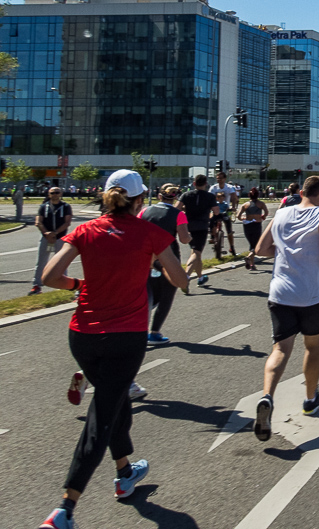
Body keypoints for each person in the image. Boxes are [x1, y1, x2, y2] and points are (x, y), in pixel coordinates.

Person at [38, 170, 188, 529]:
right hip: (126, 337)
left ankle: (125, 473)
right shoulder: (150, 233)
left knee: (116, 401)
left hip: (83, 335)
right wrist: (180, 268)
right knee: (101, 418)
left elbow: (49, 278)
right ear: (140, 201)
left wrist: (79, 283)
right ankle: (65, 508)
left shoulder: (85, 231)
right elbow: (179, 280)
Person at [252, 176, 319, 442]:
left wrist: (285, 253)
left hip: (280, 292)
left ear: (301, 192)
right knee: (312, 346)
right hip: (312, 294)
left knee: (280, 348)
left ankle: (267, 396)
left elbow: (261, 249)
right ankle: (310, 398)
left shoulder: (281, 213)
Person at [140, 184, 192, 344]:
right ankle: (154, 332)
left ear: (159, 196)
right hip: (168, 258)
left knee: (148, 295)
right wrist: (190, 236)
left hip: (147, 258)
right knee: (167, 296)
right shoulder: (178, 214)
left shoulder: (145, 211)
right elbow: (183, 239)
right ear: (175, 197)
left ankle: (137, 329)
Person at [177, 174, 221, 286]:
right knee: (197, 252)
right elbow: (216, 211)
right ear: (206, 184)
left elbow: (176, 208)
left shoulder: (186, 195)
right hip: (201, 226)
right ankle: (185, 277)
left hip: (188, 225)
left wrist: (185, 209)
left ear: (194, 184)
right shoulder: (210, 196)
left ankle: (200, 277)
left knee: (195, 252)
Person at [30, 186, 73, 295]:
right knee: (41, 261)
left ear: (61, 194)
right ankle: (37, 285)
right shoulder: (44, 207)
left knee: (62, 262)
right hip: (46, 238)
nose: (55, 194)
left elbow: (67, 222)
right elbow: (38, 221)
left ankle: (63, 284)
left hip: (60, 238)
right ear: (49, 194)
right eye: (52, 193)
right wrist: (46, 233)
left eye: (57, 192)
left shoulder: (65, 206)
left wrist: (55, 233)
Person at [237, 187, 269, 270]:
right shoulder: (261, 204)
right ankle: (249, 258)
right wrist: (263, 216)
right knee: (256, 244)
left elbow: (238, 216)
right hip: (256, 225)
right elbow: (266, 212)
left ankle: (252, 265)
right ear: (258, 195)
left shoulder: (245, 205)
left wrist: (243, 218)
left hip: (247, 225)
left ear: (249, 195)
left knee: (252, 244)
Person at [214, 172, 239, 256]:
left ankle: (232, 247)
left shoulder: (229, 187)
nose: (219, 180)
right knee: (211, 223)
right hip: (216, 209)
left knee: (229, 229)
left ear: (224, 179)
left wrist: (234, 207)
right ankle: (213, 238)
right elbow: (209, 198)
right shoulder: (213, 188)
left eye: (220, 178)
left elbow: (233, 197)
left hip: (226, 209)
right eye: (217, 178)